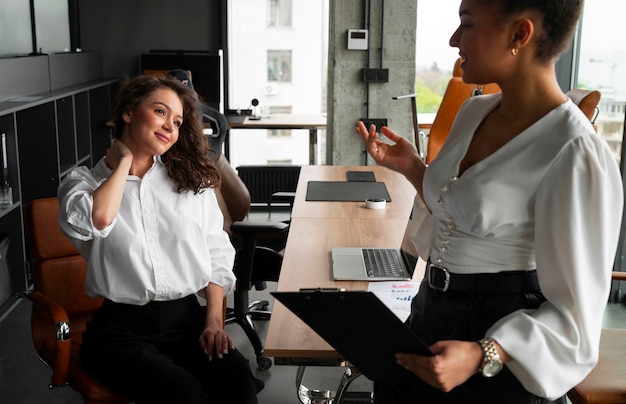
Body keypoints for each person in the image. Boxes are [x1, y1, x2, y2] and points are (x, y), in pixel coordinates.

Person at [356, 0, 623, 403]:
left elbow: (576, 315)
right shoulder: (473, 110)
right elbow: (462, 209)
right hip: (428, 313)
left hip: (498, 338)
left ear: (520, 34)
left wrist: (486, 352)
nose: (453, 39)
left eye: (465, 24)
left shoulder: (575, 151)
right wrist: (413, 168)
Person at [57, 74, 263, 404]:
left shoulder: (188, 181)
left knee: (237, 378)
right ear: (128, 112)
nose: (170, 127)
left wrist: (214, 322)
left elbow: (215, 250)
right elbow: (99, 219)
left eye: (178, 121)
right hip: (120, 332)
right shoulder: (81, 183)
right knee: (185, 393)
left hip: (186, 321)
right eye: (160, 111)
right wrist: (123, 162)